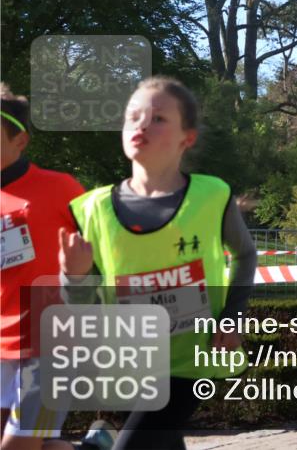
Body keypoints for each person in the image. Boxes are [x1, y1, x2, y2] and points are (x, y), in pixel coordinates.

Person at [60, 76, 258, 449]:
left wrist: (234, 316)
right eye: (132, 117)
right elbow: (82, 310)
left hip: (193, 361)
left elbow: (246, 254)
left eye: (159, 118)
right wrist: (74, 276)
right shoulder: (92, 209)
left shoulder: (212, 196)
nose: (141, 125)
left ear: (188, 137)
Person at [1, 84, 84, 450]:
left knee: (17, 448)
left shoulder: (61, 188)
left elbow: (109, 247)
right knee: (44, 445)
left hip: (52, 345)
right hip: (0, 347)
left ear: (20, 140)